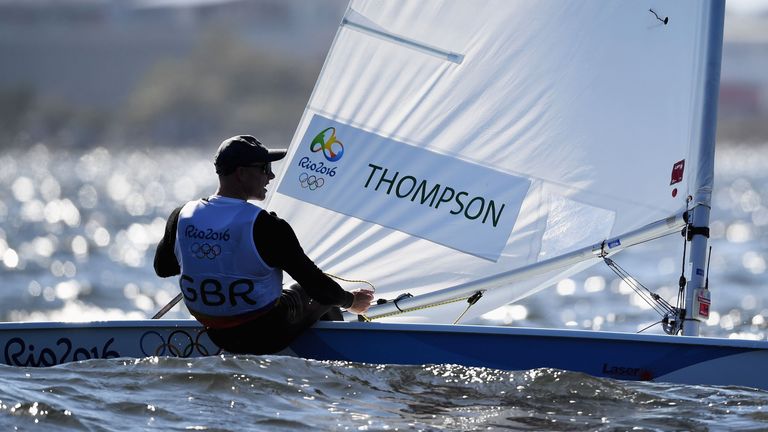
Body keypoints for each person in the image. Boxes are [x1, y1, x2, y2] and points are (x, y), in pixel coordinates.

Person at [153, 135, 373, 354]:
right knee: (320, 292)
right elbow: (317, 286)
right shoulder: (266, 225)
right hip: (265, 335)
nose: (271, 175)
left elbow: (163, 268)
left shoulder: (183, 215)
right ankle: (341, 362)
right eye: (264, 168)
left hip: (216, 334)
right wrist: (351, 301)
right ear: (241, 173)